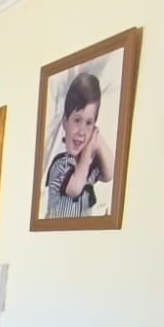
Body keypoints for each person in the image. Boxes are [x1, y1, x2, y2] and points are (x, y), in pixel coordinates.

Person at [44, 72, 113, 218]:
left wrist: (95, 137)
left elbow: (110, 173)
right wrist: (89, 148)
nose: (82, 131)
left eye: (89, 123)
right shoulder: (60, 164)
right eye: (77, 120)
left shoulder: (86, 167)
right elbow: (74, 188)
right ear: (65, 122)